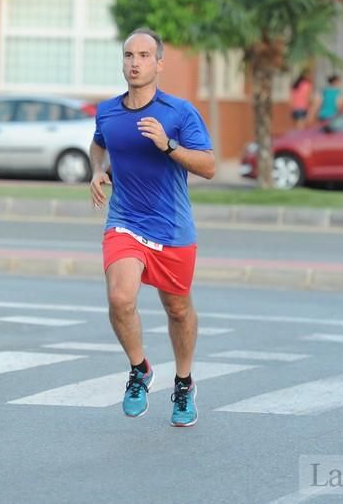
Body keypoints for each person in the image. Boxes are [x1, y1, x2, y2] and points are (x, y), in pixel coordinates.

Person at [89, 28, 215, 427]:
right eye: (129, 55)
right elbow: (99, 143)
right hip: (125, 220)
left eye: (144, 55)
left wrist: (168, 146)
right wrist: (97, 170)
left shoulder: (178, 112)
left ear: (159, 63)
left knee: (177, 309)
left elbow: (209, 166)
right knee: (120, 298)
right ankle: (139, 369)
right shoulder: (108, 111)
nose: (135, 62)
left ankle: (183, 382)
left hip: (172, 227)